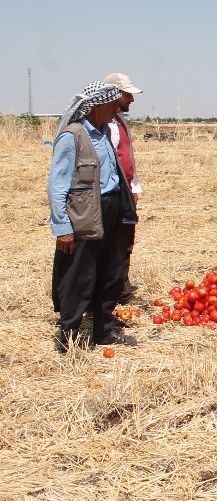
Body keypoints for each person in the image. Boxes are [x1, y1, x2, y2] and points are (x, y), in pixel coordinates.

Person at [49, 81, 139, 351]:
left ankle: (105, 331)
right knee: (81, 273)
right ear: (98, 105)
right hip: (86, 211)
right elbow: (57, 184)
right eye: (113, 105)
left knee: (111, 272)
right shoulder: (73, 136)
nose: (117, 110)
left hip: (112, 207)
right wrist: (62, 226)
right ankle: (71, 336)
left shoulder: (103, 133)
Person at [103, 72, 143, 304]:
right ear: (114, 94)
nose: (132, 100)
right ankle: (112, 292)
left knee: (125, 240)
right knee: (113, 242)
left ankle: (121, 287)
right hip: (112, 193)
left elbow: (128, 156)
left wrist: (134, 186)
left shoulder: (120, 121)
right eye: (127, 95)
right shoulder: (103, 123)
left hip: (125, 191)